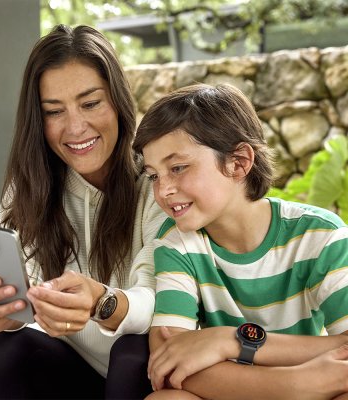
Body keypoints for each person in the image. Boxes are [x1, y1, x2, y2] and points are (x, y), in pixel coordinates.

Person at [0, 24, 166, 400]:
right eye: (54, 111)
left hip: (148, 369)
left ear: (118, 101)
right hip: (80, 371)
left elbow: (167, 301)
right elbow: (30, 297)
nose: (75, 128)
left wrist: (102, 302)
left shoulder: (159, 180)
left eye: (90, 104)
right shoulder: (28, 189)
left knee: (132, 351)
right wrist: (4, 312)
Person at [132, 83, 348, 400]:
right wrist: (299, 383)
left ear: (239, 162)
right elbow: (167, 362)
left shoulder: (320, 235)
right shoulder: (177, 243)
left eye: (178, 168)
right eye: (154, 175)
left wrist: (231, 342)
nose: (162, 190)